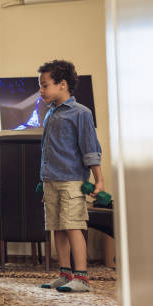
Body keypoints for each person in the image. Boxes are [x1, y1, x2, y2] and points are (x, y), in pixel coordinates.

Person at [37, 60, 103, 293]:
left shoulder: (81, 113)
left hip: (72, 181)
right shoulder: (50, 115)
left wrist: (99, 179)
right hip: (51, 180)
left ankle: (82, 277)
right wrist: (43, 177)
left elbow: (90, 148)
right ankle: (64, 274)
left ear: (62, 84)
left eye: (45, 85)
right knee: (58, 227)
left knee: (73, 226)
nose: (41, 90)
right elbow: (48, 148)